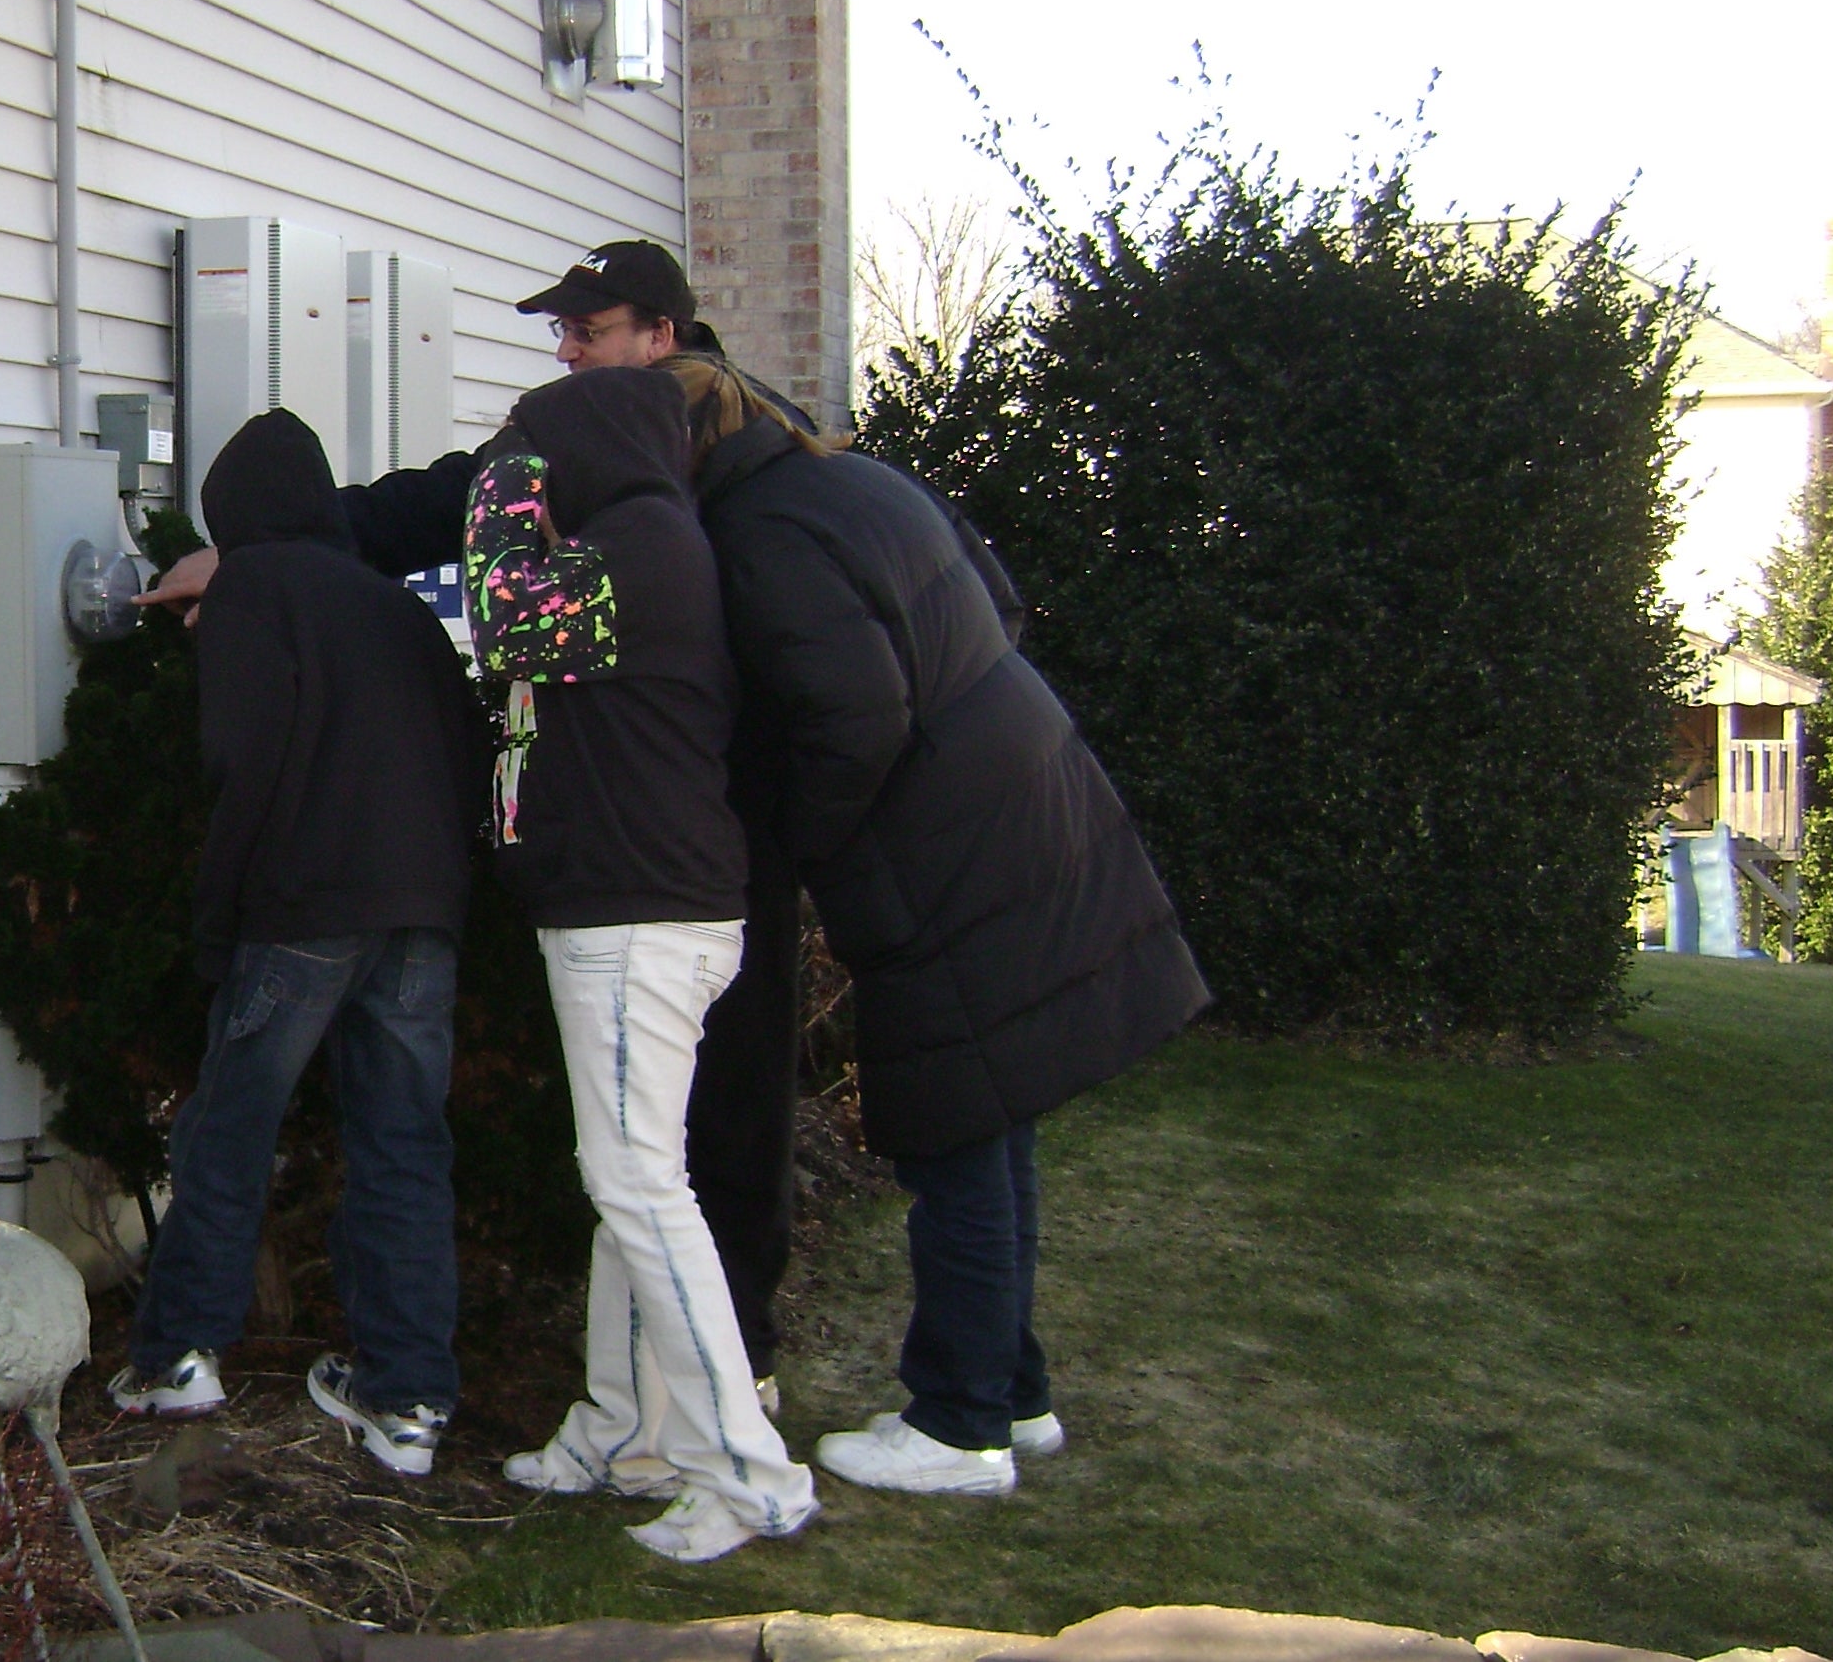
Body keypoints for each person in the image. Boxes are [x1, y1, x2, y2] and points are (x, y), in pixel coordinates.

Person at [136, 240, 812, 1414]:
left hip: (675, 853)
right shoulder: (593, 482)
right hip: (533, 877)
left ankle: (731, 1408)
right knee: (553, 1160)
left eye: (585, 330)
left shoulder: (722, 479)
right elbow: (432, 538)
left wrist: (262, 566)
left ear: (661, 337)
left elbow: (510, 628)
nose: (563, 349)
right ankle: (457, 1399)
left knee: (681, 1153)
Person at [673, 359, 1212, 1497]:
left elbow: (855, 716)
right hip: (1025, 793)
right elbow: (999, 600)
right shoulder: (856, 480)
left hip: (941, 847)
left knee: (956, 1132)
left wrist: (797, 844)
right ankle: (1013, 1396)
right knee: (996, 1117)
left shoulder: (757, 532)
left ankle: (959, 1422)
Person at [466, 365, 818, 1563]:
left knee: (638, 1187)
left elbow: (504, 622)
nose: (531, 480)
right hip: (638, 909)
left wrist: (502, 476)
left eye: (544, 457)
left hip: (637, 920)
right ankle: (623, 1435)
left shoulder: (642, 548)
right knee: (628, 1176)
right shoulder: (643, 539)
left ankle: (748, 1474)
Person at [105, 410, 486, 1479]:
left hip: (301, 909)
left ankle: (178, 1357)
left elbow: (241, 766)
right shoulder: (397, 608)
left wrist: (220, 923)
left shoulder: (255, 593)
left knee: (227, 1131)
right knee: (404, 1146)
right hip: (423, 910)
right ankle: (405, 1402)